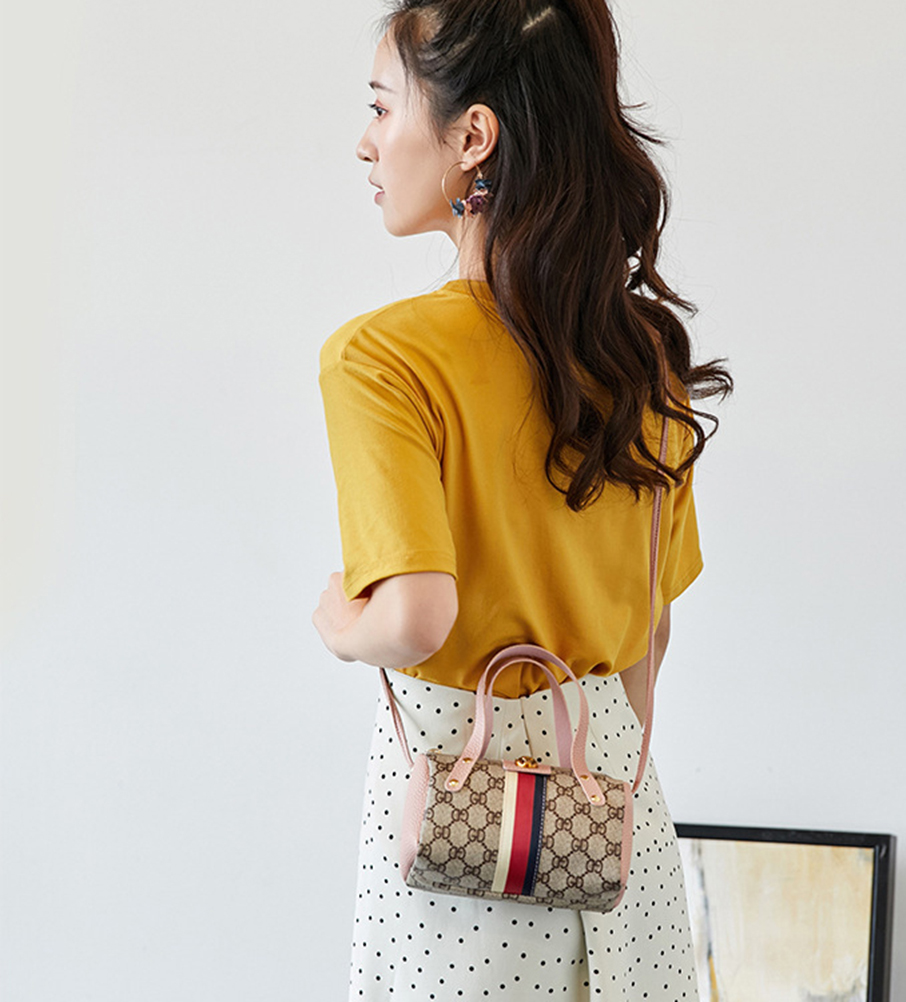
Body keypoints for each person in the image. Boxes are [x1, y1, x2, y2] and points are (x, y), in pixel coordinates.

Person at [311, 0, 731, 997]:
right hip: (613, 836)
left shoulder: (382, 359)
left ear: (472, 137)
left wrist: (338, 621)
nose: (366, 142)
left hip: (463, 853)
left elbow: (416, 618)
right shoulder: (636, 363)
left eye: (382, 107)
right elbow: (648, 637)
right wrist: (587, 782)